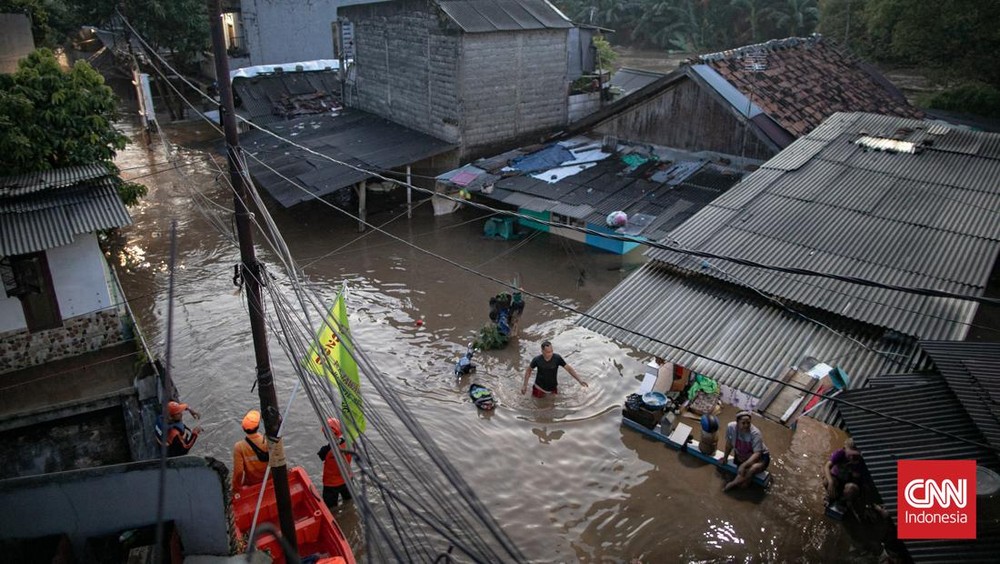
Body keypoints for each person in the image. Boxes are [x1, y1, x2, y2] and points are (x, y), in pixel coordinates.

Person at [719, 410, 770, 491]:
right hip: (742, 455)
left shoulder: (755, 433)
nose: (746, 425)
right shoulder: (731, 427)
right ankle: (737, 481)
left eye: (748, 423)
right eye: (743, 423)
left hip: (761, 457)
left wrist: (744, 465)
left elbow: (757, 453)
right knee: (743, 481)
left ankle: (732, 484)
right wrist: (725, 458)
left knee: (750, 473)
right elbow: (729, 444)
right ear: (737, 422)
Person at [521, 340, 587, 397]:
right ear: (542, 351)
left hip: (553, 388)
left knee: (552, 407)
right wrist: (525, 385)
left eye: (551, 351)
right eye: (548, 352)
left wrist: (580, 380)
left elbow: (569, 369)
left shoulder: (557, 358)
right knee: (537, 406)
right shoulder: (537, 360)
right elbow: (528, 371)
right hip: (539, 387)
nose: (550, 354)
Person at [317, 417, 353, 509]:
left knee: (331, 509)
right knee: (349, 502)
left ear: (326, 435)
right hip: (347, 480)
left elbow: (321, 456)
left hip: (331, 485)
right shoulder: (349, 444)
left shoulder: (325, 451)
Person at [823, 438, 869, 506]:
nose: (852, 458)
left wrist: (849, 495)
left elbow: (856, 480)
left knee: (851, 488)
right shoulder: (840, 453)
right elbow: (827, 466)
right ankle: (830, 495)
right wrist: (831, 482)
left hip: (848, 482)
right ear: (844, 449)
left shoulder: (859, 462)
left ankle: (844, 499)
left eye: (855, 456)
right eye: (850, 455)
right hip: (837, 477)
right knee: (827, 481)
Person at [232, 409, 269, 493]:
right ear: (258, 426)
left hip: (251, 483)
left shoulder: (239, 447)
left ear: (243, 428)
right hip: (268, 481)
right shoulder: (267, 442)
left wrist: (236, 489)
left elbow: (239, 472)